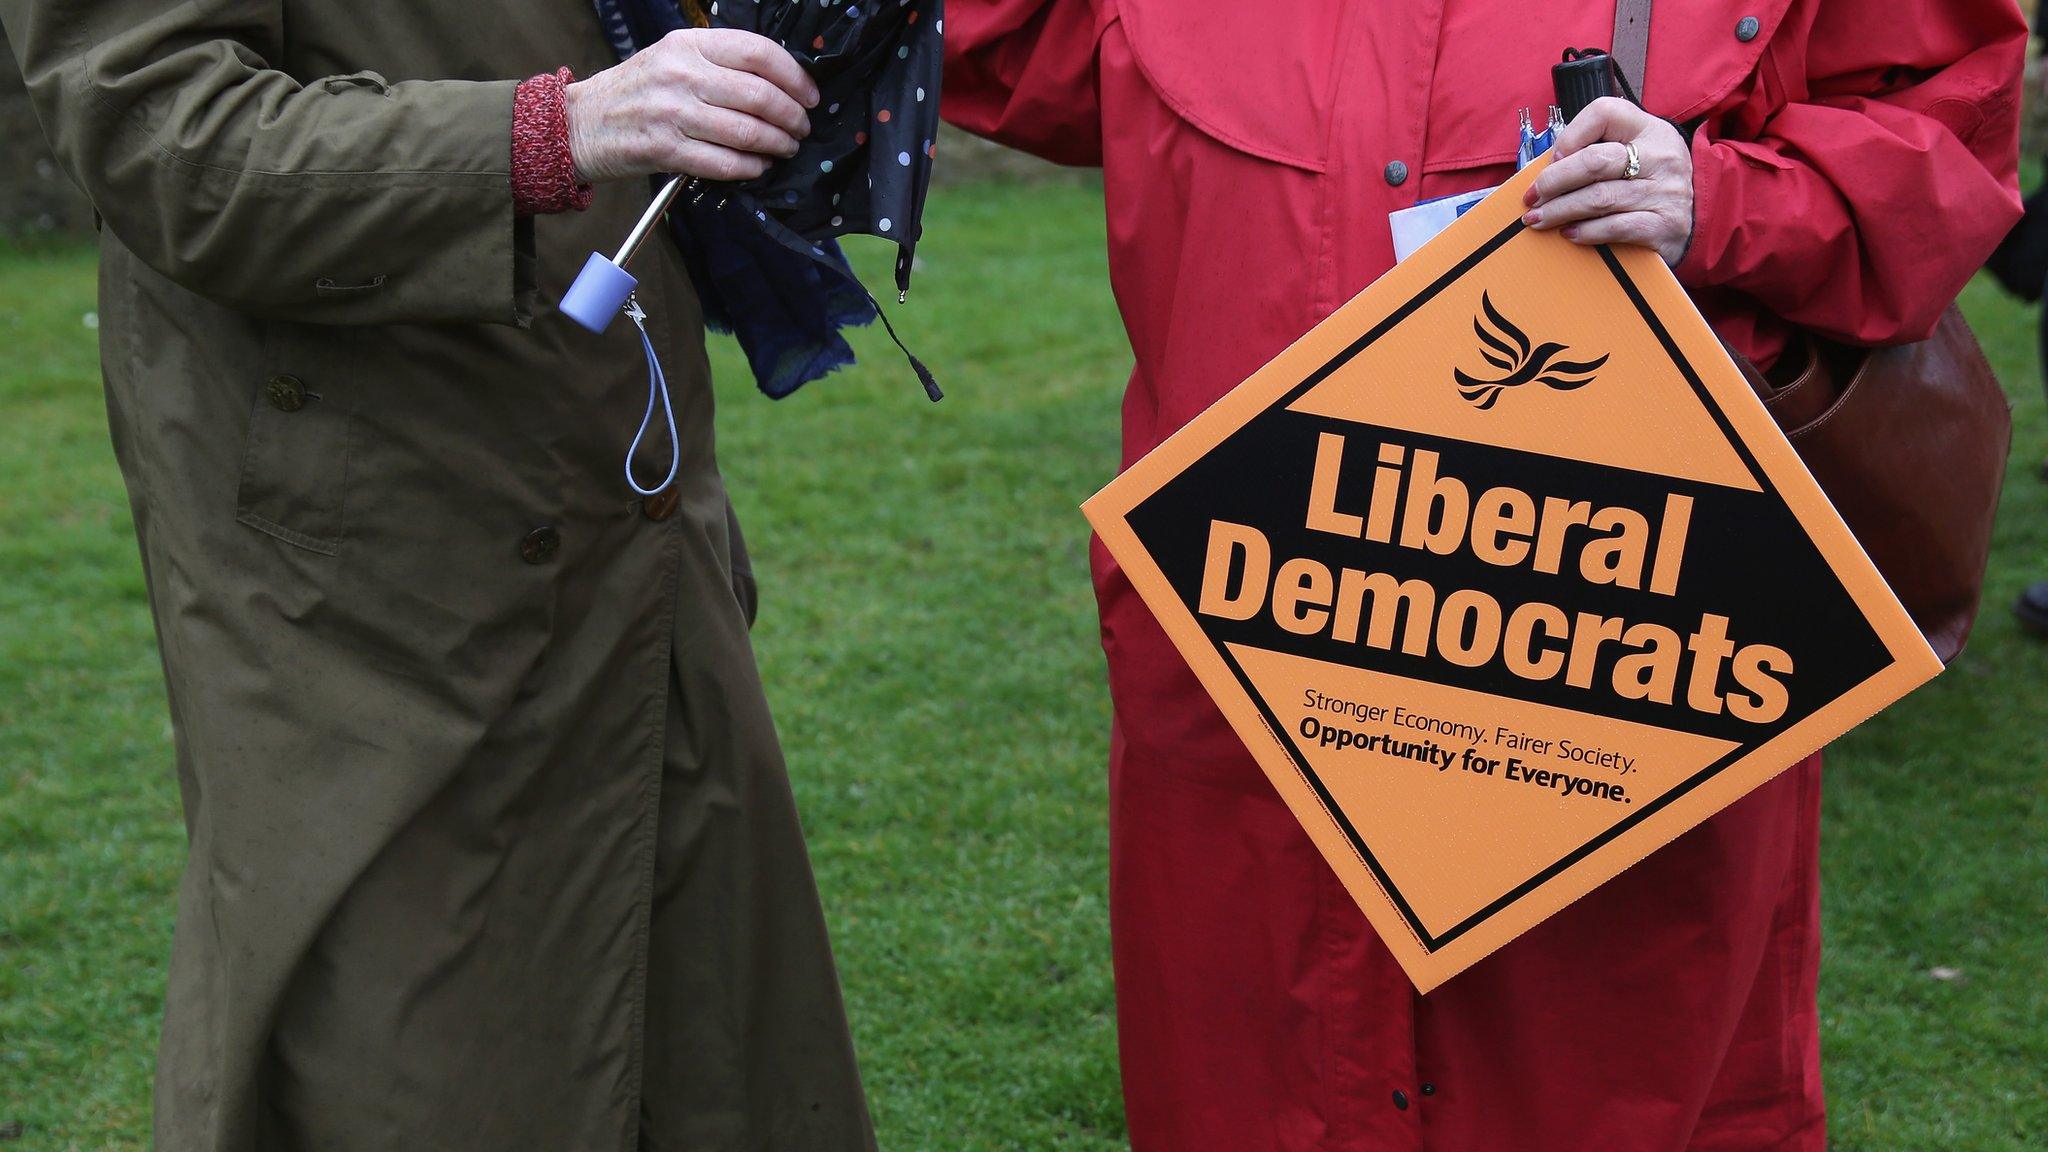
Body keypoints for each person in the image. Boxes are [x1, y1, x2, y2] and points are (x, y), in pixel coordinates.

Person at [945, 1, 2022, 1149]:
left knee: (1611, 1082)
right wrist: (732, 53)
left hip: (1609, 669)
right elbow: (947, 40)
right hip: (1250, 672)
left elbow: (1945, 124)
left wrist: (1726, 198)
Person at [2, 3, 878, 1149]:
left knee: (706, 1052)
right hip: (378, 566)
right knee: (409, 1059)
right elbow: (166, 138)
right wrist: (553, 131)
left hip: (627, 496)